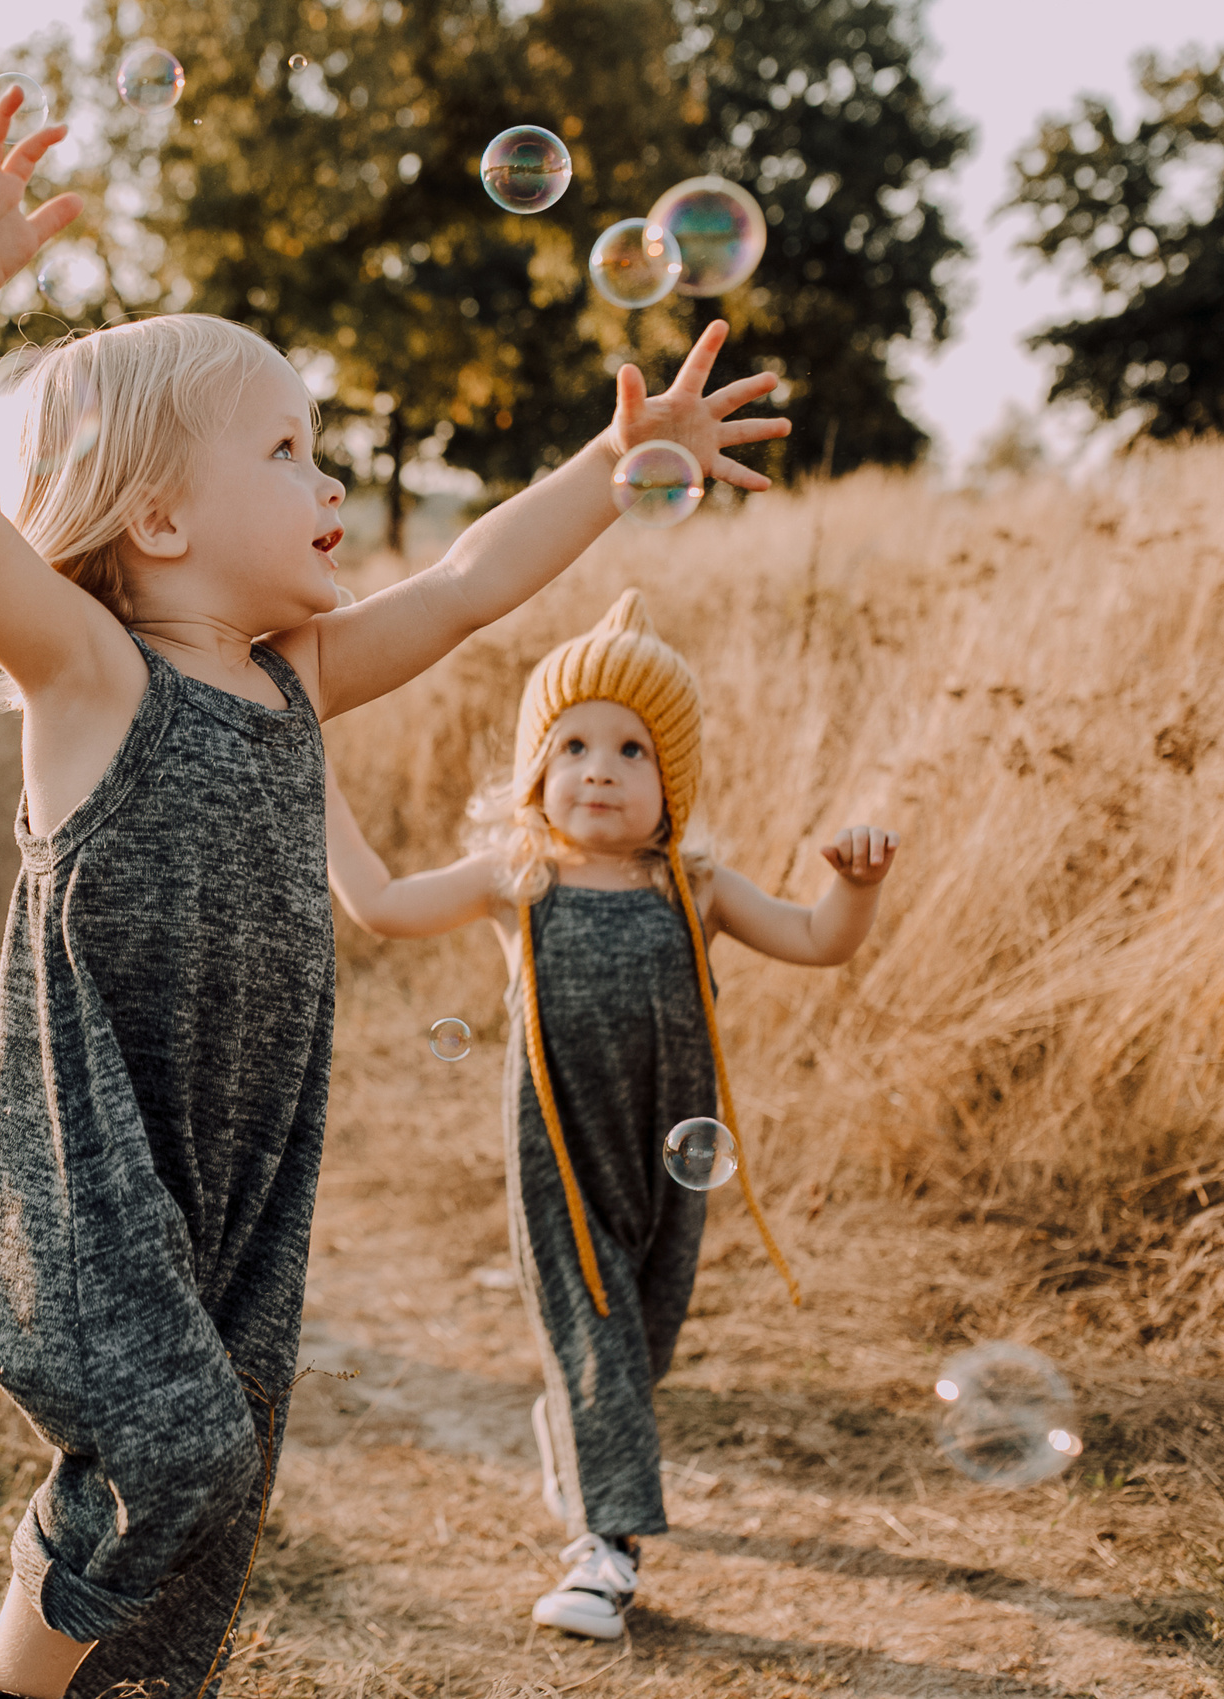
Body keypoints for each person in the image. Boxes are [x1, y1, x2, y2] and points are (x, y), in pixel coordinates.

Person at [0, 85, 791, 1699]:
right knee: (170, 1438)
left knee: (217, 1471)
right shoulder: (92, 674)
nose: (329, 481)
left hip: (239, 1161)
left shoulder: (296, 678)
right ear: (159, 516)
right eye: (290, 450)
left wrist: (614, 464)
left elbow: (462, 587)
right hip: (91, 1155)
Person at [322, 589, 899, 1642]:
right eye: (574, 743)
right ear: (535, 765)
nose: (599, 768)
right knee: (597, 1337)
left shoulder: (697, 885)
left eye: (632, 751)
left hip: (670, 1157)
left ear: (670, 780)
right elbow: (381, 905)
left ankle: (576, 1440)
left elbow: (819, 939)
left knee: (640, 1342)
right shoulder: (518, 879)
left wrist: (853, 885)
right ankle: (605, 1554)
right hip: (559, 1154)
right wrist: (312, 782)